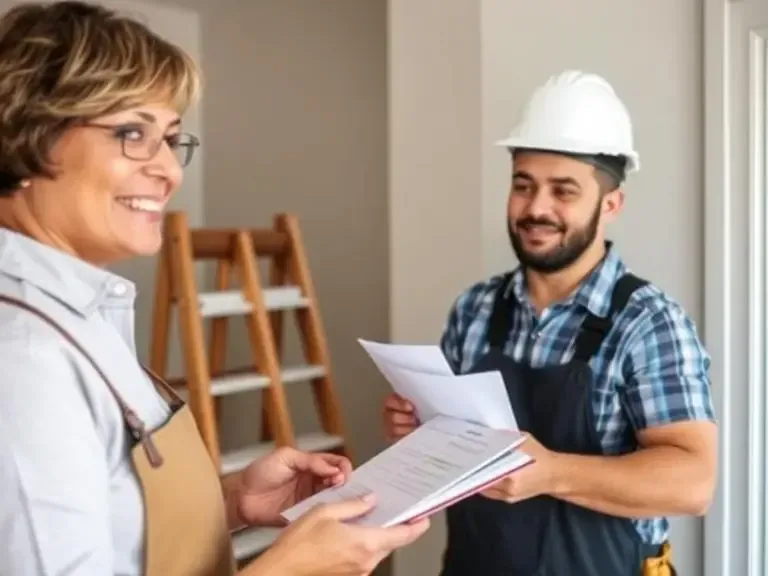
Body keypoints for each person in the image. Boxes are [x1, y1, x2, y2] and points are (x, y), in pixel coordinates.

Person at [0, 2, 429, 575]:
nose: (170, 172)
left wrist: (230, 503)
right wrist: (287, 569)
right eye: (132, 133)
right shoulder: (25, 358)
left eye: (171, 139)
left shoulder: (78, 315)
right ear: (31, 137)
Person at [383, 70, 717, 576]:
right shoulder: (474, 310)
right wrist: (419, 428)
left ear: (610, 205)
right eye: (524, 185)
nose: (536, 208)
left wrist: (552, 473)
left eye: (564, 191)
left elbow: (693, 484)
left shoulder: (649, 324)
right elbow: (453, 456)